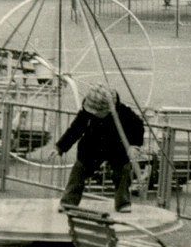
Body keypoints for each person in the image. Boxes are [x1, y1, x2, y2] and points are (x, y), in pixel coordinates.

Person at [55, 84, 144, 213]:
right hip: (92, 147)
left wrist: (134, 146)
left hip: (117, 147)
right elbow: (75, 130)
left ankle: (123, 203)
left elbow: (138, 127)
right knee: (79, 171)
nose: (94, 114)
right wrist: (60, 147)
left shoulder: (123, 112)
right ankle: (68, 202)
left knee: (123, 172)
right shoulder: (87, 112)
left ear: (107, 109)